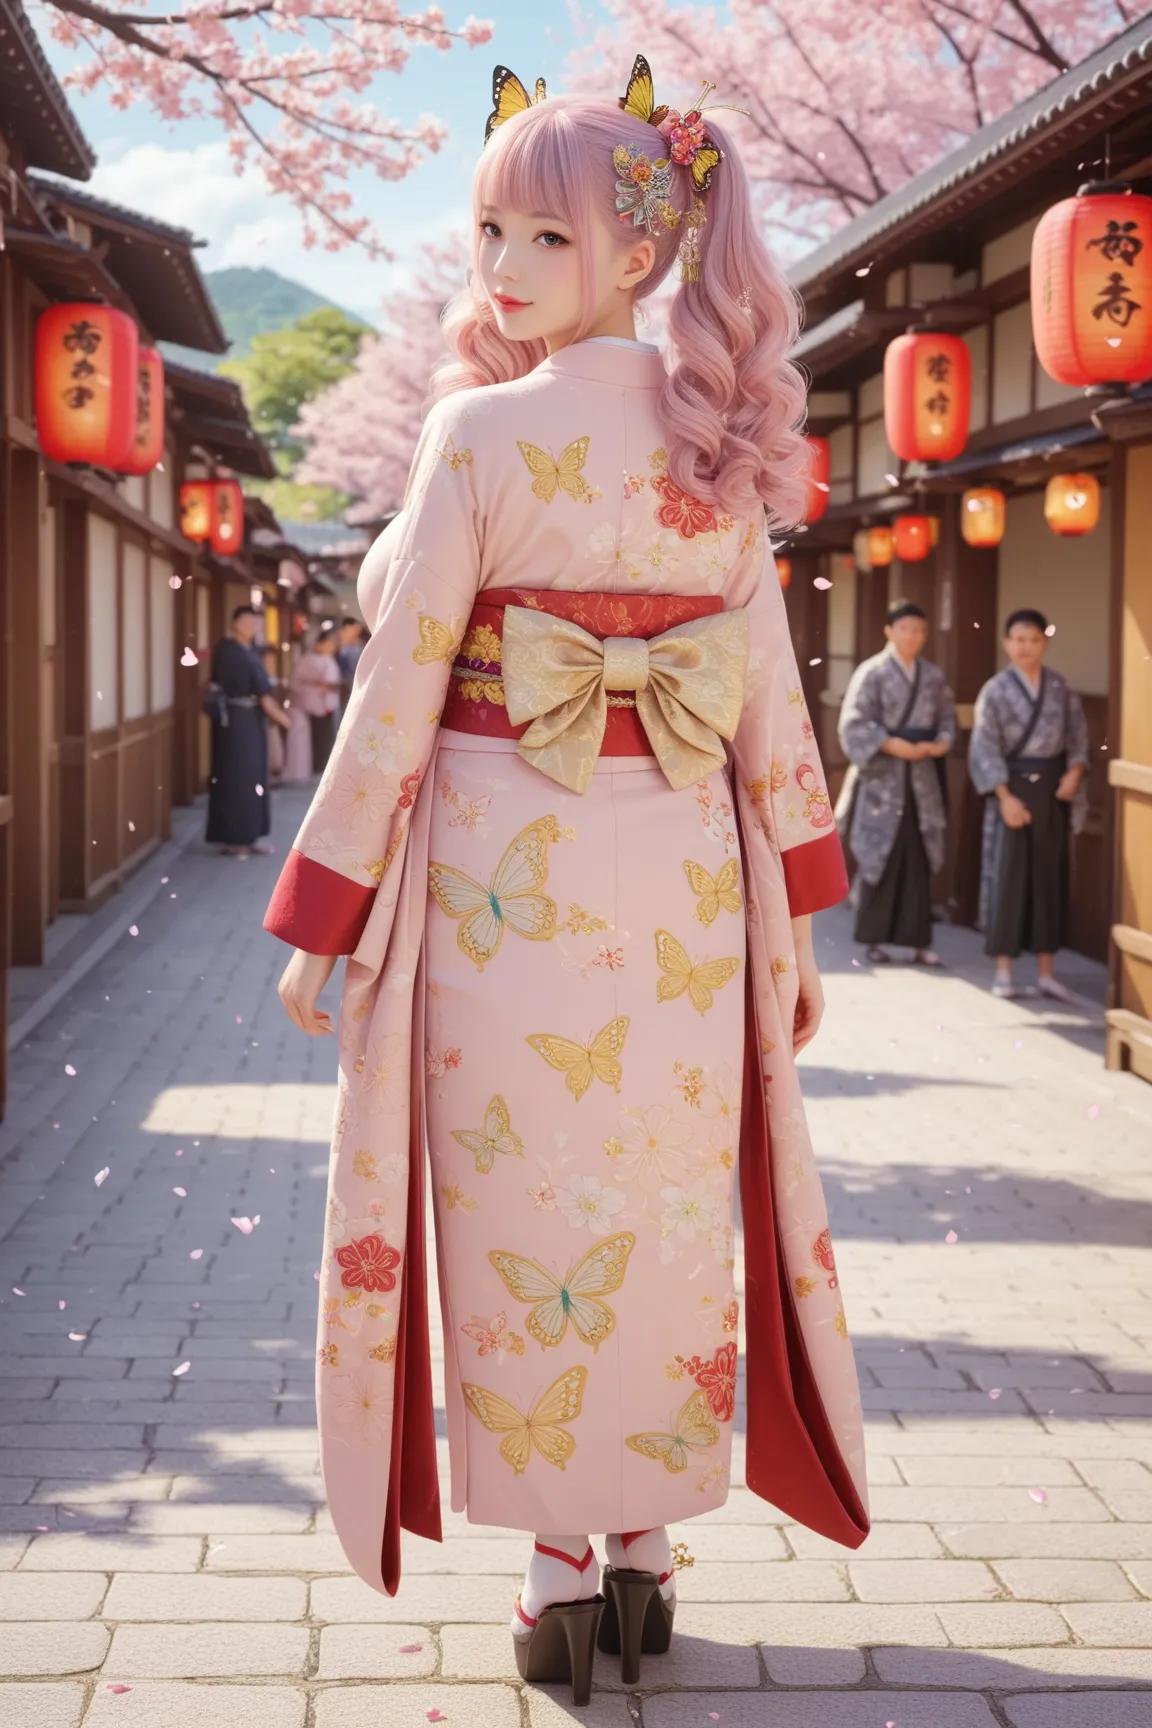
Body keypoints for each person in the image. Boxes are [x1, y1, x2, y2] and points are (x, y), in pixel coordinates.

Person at [263, 62, 868, 1704]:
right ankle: (648, 1545)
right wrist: (796, 911)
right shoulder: (718, 443)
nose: (503, 264)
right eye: (487, 229)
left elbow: (401, 680)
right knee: (660, 1205)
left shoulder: (481, 430)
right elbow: (768, 706)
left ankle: (560, 1563)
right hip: (677, 867)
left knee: (524, 1199)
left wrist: (326, 909)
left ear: (635, 251)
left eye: (544, 232)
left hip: (496, 875)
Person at [969, 607, 1088, 1001]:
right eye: (1018, 639)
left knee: (1049, 878)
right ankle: (1004, 970)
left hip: (1052, 791)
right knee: (1009, 878)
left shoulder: (1060, 688)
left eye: (1033, 640)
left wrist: (1075, 772)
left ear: (1045, 643)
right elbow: (983, 747)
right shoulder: (996, 690)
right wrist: (1004, 797)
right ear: (1006, 643)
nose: (1025, 647)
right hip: (1012, 790)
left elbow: (1078, 738)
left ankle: (1046, 971)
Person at [836, 600, 956, 966]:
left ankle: (918, 940)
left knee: (917, 855)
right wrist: (890, 744)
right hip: (882, 779)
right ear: (889, 631)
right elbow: (853, 724)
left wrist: (942, 742)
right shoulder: (871, 673)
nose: (912, 636)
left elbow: (948, 720)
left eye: (918, 630)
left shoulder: (933, 677)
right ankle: (874, 939)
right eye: (904, 628)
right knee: (880, 854)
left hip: (921, 779)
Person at [205, 605, 288, 856]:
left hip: (250, 719)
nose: (251, 626)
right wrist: (283, 719)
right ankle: (234, 839)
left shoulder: (251, 650)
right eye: (246, 621)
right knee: (237, 777)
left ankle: (250, 837)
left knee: (254, 777)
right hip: (236, 722)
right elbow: (261, 692)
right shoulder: (229, 650)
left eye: (255, 622)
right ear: (235, 623)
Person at [293, 627, 342, 774]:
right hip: (315, 703)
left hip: (319, 703)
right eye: (329, 643)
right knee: (319, 738)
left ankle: (319, 765)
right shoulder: (312, 660)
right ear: (320, 643)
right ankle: (318, 766)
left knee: (322, 737)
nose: (332, 647)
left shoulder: (318, 659)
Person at [336, 616, 365, 711]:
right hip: (343, 695)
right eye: (343, 630)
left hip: (356, 694)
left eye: (346, 629)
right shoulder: (341, 650)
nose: (342, 633)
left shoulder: (361, 650)